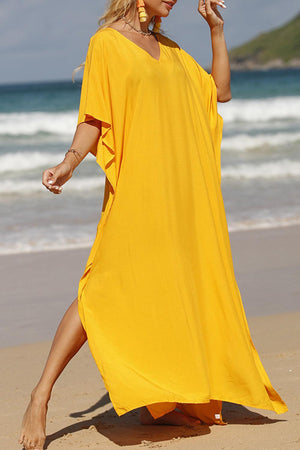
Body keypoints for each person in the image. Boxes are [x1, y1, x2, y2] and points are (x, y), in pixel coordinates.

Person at [19, 0, 288, 449]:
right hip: (136, 190)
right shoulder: (106, 44)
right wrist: (69, 164)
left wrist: (216, 33)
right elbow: (94, 117)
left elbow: (219, 92)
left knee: (168, 290)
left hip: (180, 197)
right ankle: (41, 394)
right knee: (102, 286)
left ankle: (159, 399)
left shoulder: (174, 50)